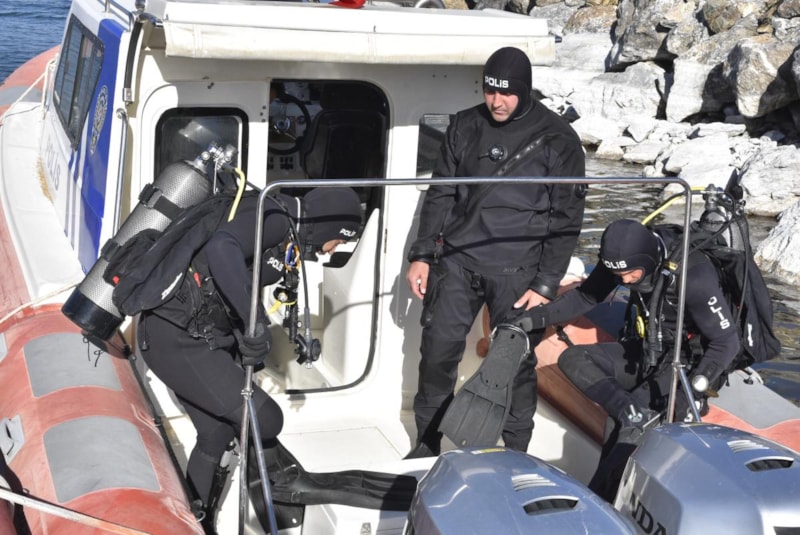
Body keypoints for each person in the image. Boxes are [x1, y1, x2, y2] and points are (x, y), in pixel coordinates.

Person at [137, 187, 362, 532]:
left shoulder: (287, 230)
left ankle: (197, 521)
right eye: (340, 240)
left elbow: (239, 278)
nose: (334, 249)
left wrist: (246, 335)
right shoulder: (276, 218)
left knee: (215, 435)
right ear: (331, 227)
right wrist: (253, 318)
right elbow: (222, 247)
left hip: (195, 336)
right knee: (267, 420)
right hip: (176, 338)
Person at [405, 46, 586, 457]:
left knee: (514, 364)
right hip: (457, 262)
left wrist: (546, 283)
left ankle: (516, 451)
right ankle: (426, 445)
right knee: (436, 353)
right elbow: (440, 194)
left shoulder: (558, 138)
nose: (497, 101)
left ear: (524, 90)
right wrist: (421, 255)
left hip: (519, 273)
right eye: (490, 90)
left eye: (506, 93)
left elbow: (567, 217)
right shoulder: (464, 125)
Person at [512, 218, 740, 501]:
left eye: (632, 274)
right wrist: (534, 319)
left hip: (686, 362)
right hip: (648, 350)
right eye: (619, 275)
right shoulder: (621, 263)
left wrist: (693, 389)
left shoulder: (694, 277)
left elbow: (727, 342)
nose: (625, 281)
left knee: (626, 427)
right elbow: (585, 298)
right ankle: (628, 409)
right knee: (574, 358)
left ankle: (598, 502)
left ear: (649, 261)